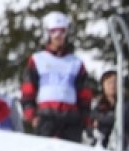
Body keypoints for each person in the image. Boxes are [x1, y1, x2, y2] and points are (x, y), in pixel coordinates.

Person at [20, 11, 92, 143]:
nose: (58, 36)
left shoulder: (76, 63)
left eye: (62, 31)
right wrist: (31, 114)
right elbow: (28, 90)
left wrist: (85, 119)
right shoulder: (37, 59)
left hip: (71, 118)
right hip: (46, 116)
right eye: (54, 31)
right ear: (47, 33)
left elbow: (84, 94)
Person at [89, 68, 129, 150]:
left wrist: (101, 119)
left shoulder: (127, 103)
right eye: (109, 82)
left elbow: (120, 118)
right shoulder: (97, 103)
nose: (112, 86)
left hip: (122, 146)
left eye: (115, 82)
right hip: (99, 146)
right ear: (103, 85)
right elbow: (92, 118)